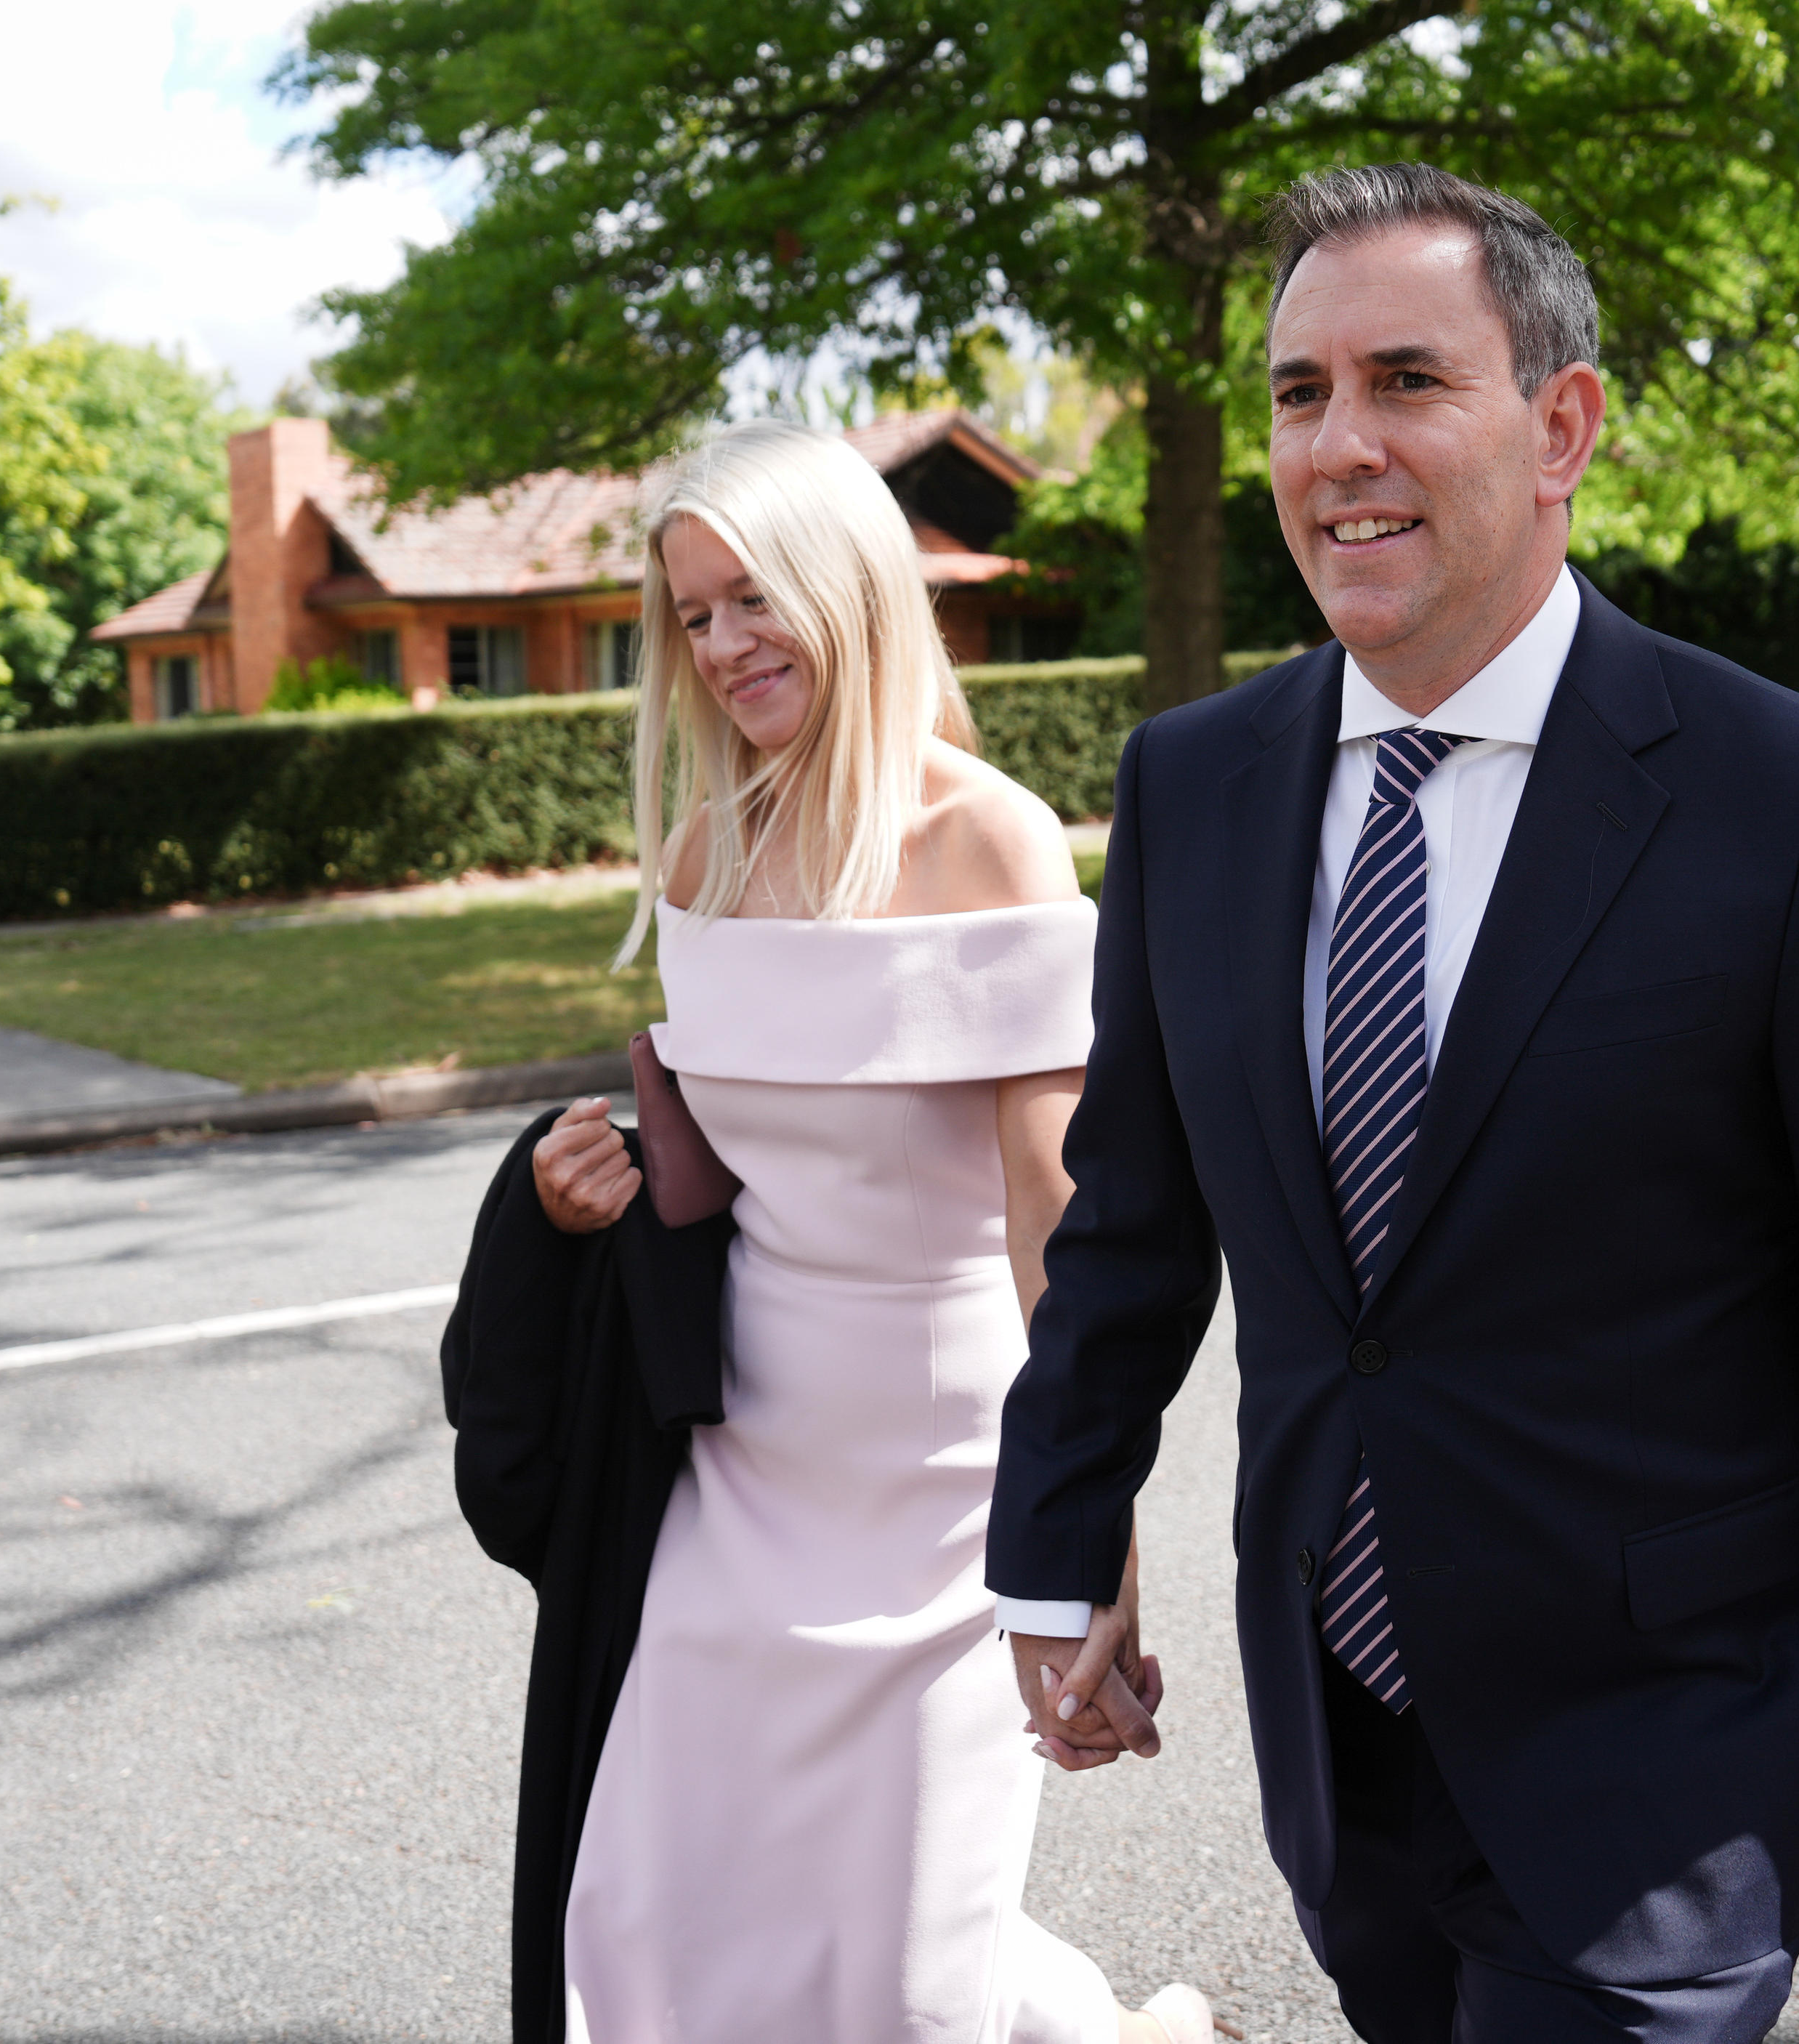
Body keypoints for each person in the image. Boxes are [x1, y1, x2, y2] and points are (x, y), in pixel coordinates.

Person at [985, 164, 1799, 2043]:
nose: (1341, 446)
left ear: (1562, 423)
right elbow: (1134, 1214)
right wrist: (1057, 1535)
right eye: (1298, 393)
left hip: (1673, 1758)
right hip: (1349, 1745)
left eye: (1408, 379)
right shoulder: (1195, 788)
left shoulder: (1792, 805)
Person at [518, 420, 1211, 2044]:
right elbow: (722, 1188)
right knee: (651, 1929)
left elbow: (1059, 1216)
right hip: (740, 1486)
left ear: (850, 587)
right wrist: (581, 1192)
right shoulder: (701, 856)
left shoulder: (991, 840)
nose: (726, 644)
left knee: (902, 1979)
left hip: (947, 1501)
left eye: (755, 597)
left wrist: (1087, 1542)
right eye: (694, 615)